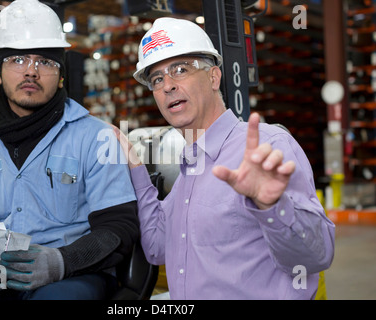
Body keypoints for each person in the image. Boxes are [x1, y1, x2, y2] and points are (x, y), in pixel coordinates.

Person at [0, 0, 138, 300]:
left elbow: (120, 226)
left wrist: (61, 262)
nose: (31, 72)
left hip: (69, 276)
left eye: (45, 62)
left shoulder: (96, 137)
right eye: (18, 60)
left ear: (61, 75)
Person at [114, 17, 335, 299]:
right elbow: (157, 246)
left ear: (214, 76)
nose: (167, 85)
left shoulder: (267, 146)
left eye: (180, 69)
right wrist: (136, 166)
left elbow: (316, 257)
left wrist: (272, 207)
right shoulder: (188, 171)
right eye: (157, 79)